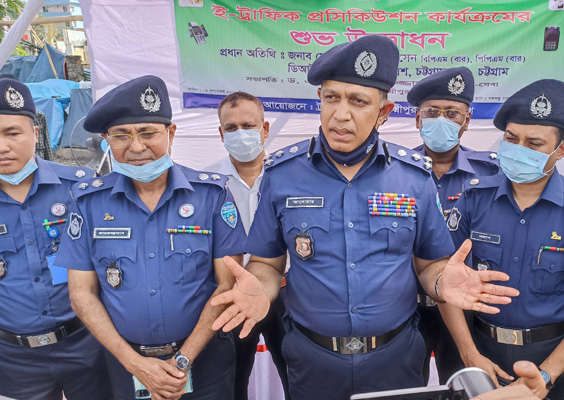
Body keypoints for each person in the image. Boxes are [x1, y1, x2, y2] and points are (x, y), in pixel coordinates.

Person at [208, 35, 519, 400]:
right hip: (312, 361)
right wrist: (260, 288)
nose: (341, 114)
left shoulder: (414, 177)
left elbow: (430, 264)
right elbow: (268, 264)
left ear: (383, 112)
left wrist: (440, 282)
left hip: (394, 360)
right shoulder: (281, 175)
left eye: (358, 101)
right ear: (319, 101)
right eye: (331, 98)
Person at [54, 75, 247, 400]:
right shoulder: (87, 203)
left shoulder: (211, 196)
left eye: (148, 133)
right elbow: (81, 294)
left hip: (206, 363)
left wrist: (182, 360)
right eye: (122, 136)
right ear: (106, 140)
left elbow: (226, 286)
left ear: (170, 133)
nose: (137, 147)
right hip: (125, 362)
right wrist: (135, 363)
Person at [440, 79, 564, 400]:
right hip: (482, 353)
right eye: (511, 139)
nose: (519, 150)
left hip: (553, 359)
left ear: (561, 149)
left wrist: (546, 376)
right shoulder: (473, 198)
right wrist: (470, 355)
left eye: (534, 143)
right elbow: (448, 282)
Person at [0, 78, 112, 399]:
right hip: (13, 359)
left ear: (35, 133)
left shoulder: (80, 187)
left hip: (86, 345)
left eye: (12, 133)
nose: (2, 146)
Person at [406, 66, 499, 384]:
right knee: (407, 390)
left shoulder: (492, 175)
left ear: (467, 120)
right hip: (406, 309)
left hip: (467, 311)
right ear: (418, 119)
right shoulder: (395, 174)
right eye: (432, 112)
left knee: (466, 387)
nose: (441, 120)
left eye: (452, 113)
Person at [203, 92, 289, 400]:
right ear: (221, 133)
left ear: (265, 129)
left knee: (295, 376)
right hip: (232, 295)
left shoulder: (289, 177)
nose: (241, 134)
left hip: (286, 291)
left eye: (249, 125)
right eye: (232, 127)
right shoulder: (209, 184)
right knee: (232, 380)